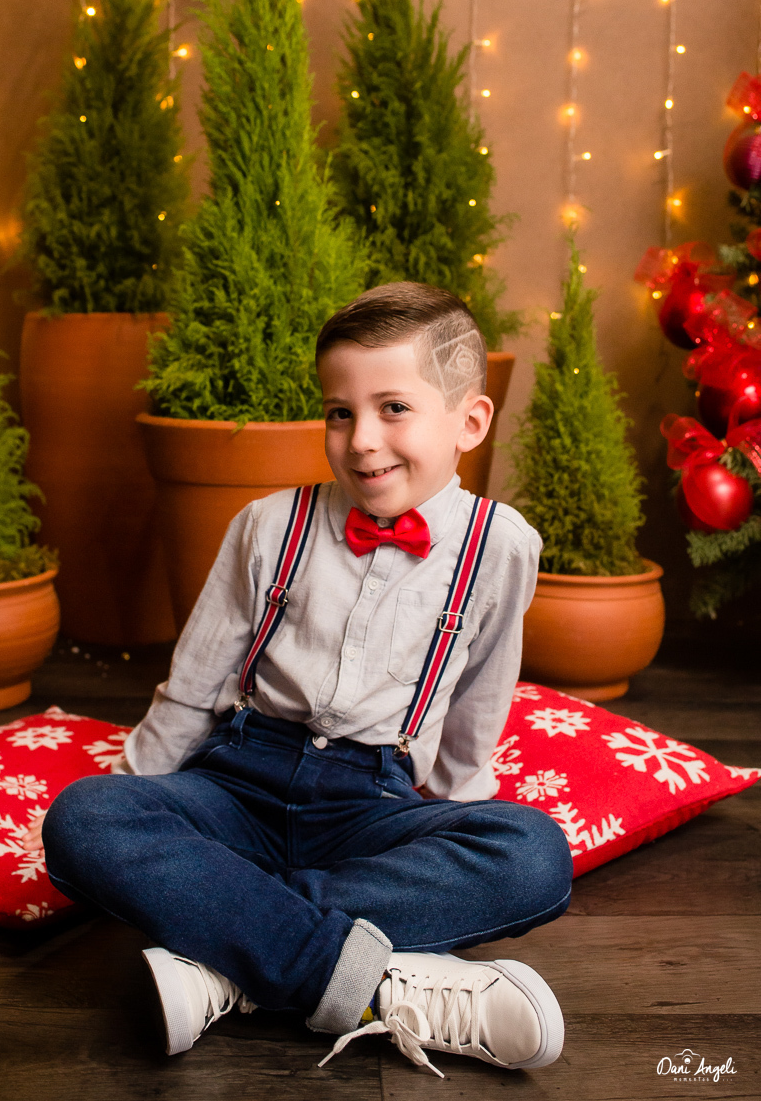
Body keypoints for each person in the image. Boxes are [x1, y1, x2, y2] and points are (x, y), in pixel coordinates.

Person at [33, 282, 574, 1080]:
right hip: (238, 781)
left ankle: (229, 955)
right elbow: (196, 679)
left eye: (394, 408)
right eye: (339, 412)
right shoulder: (268, 523)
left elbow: (480, 693)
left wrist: (459, 819)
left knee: (534, 855)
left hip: (370, 802)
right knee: (84, 818)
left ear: (470, 422)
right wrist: (139, 791)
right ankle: (365, 982)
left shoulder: (502, 546)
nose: (362, 440)